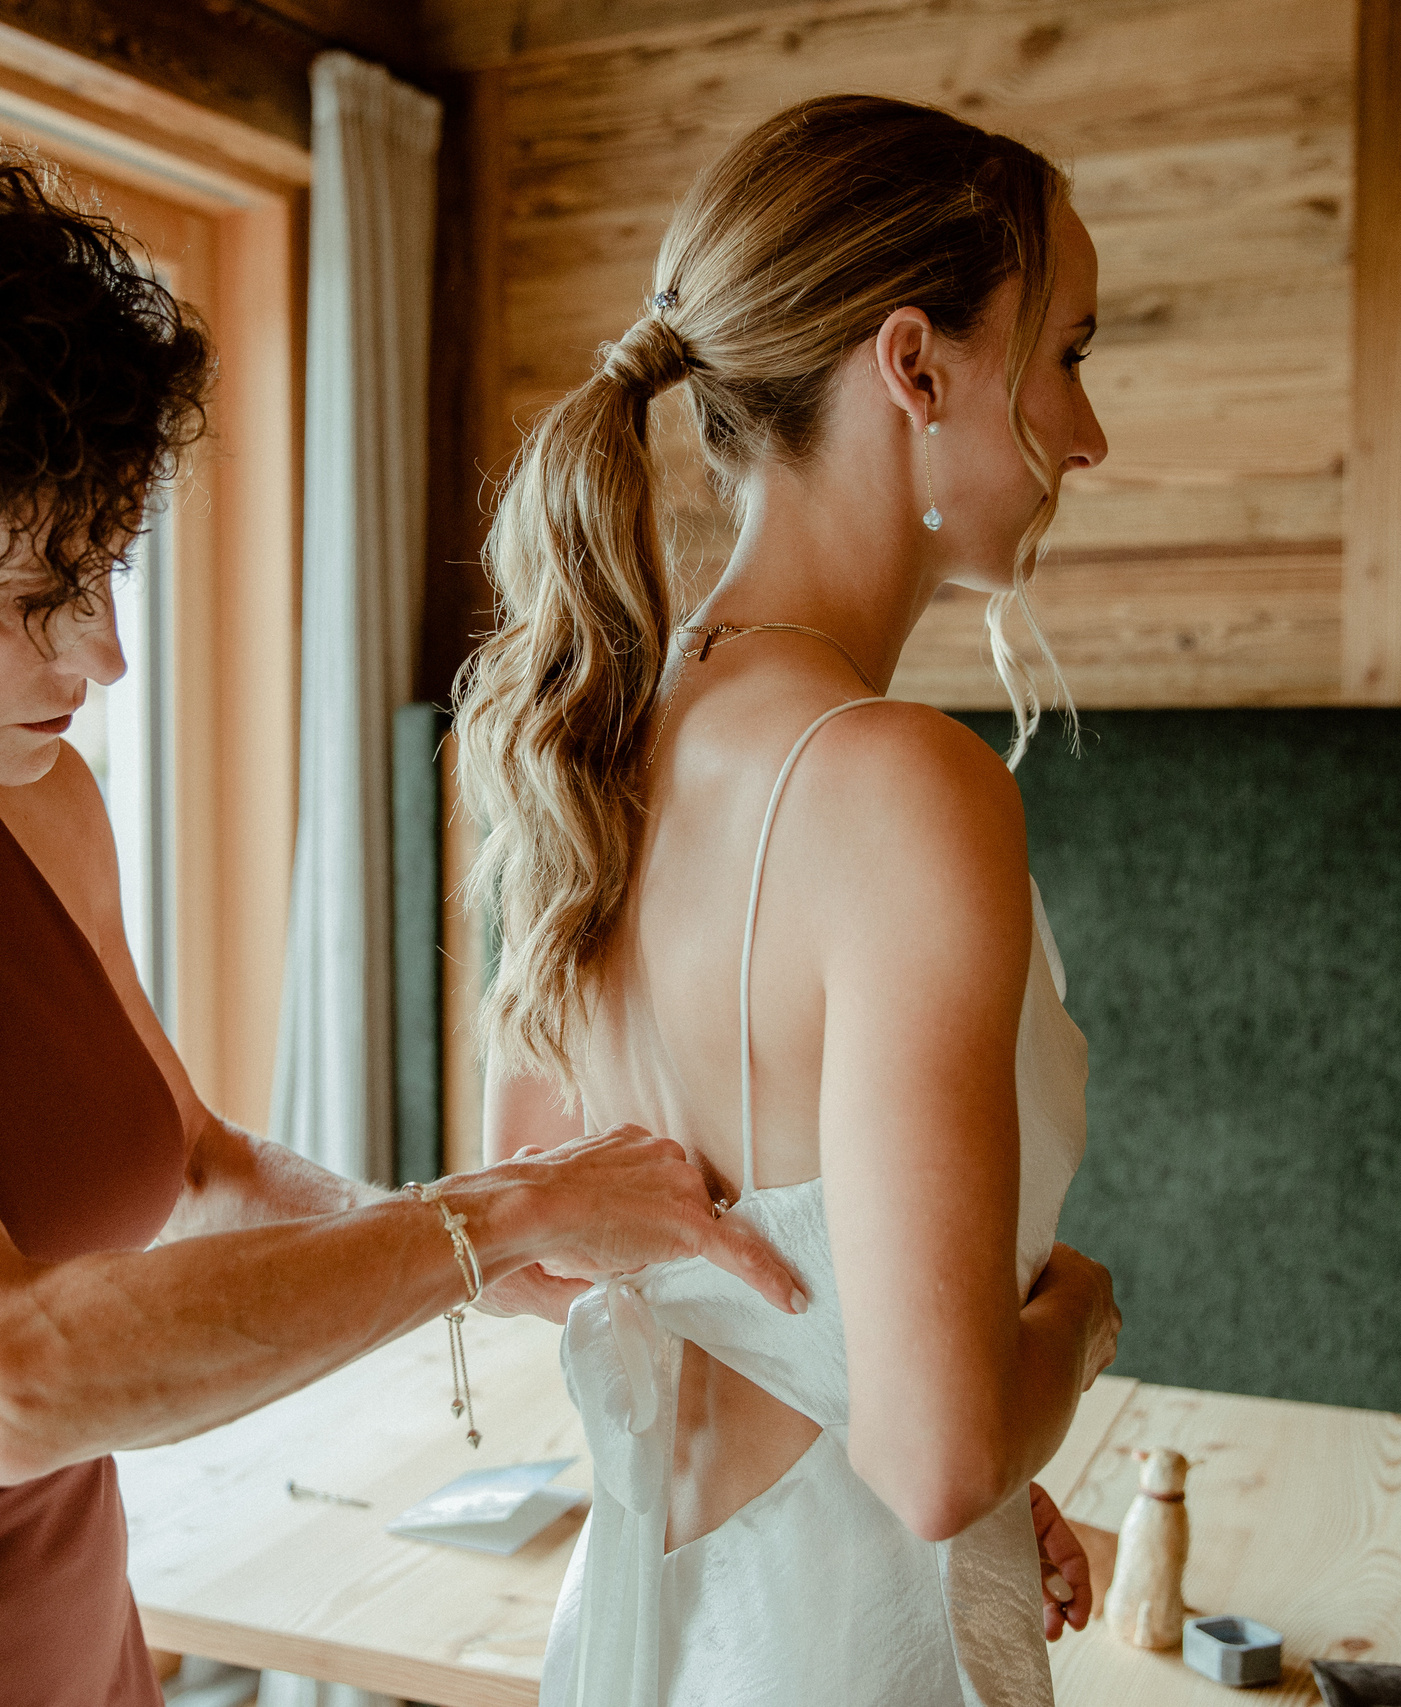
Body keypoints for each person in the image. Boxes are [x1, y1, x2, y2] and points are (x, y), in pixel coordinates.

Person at [0, 122, 796, 1707]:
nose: (105, 654)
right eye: (35, 596)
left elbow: (196, 1164)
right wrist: (490, 1224)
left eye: (106, 568)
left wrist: (466, 1238)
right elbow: (5, 1375)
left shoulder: (33, 797)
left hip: (77, 1655)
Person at [455, 94, 1125, 1706]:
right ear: (916, 364)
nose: (1091, 436)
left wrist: (873, 1376)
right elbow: (938, 1455)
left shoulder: (598, 725)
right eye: (1074, 354)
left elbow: (542, 1241)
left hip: (658, 1629)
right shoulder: (900, 786)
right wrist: (1079, 1315)